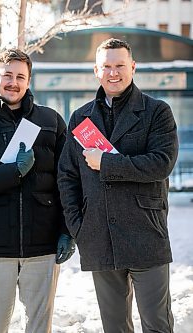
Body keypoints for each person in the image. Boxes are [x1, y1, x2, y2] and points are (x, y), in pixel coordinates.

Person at [57, 38, 178, 332]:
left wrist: (108, 163)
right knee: (114, 327)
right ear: (97, 71)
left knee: (157, 324)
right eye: (107, 66)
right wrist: (79, 226)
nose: (114, 73)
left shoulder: (157, 112)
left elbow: (161, 163)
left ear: (133, 67)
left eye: (120, 65)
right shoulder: (80, 117)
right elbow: (67, 176)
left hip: (145, 234)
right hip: (98, 236)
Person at [0, 48, 74, 333]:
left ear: (29, 81)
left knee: (39, 327)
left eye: (20, 76)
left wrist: (68, 230)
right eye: (7, 75)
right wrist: (13, 172)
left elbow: (67, 181)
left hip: (42, 245)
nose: (13, 82)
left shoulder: (51, 121)